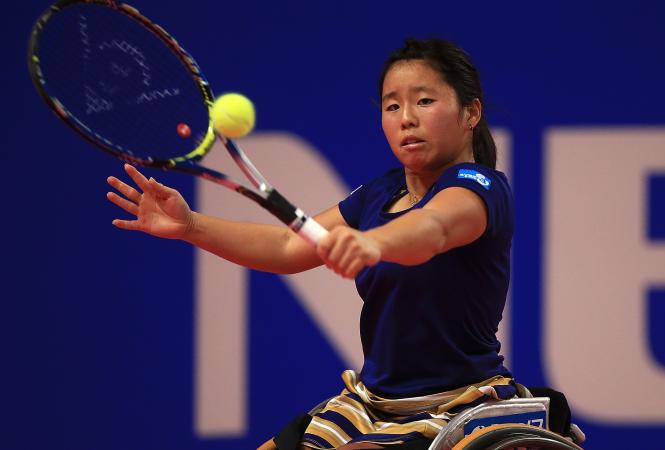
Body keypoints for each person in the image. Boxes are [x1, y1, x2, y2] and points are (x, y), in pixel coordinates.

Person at [107, 38, 518, 450]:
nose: (406, 118)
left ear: (471, 112)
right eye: (392, 106)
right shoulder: (380, 194)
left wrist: (373, 244)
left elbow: (433, 228)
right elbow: (288, 246)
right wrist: (191, 225)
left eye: (424, 101)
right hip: (372, 403)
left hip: (456, 404)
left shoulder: (480, 188)